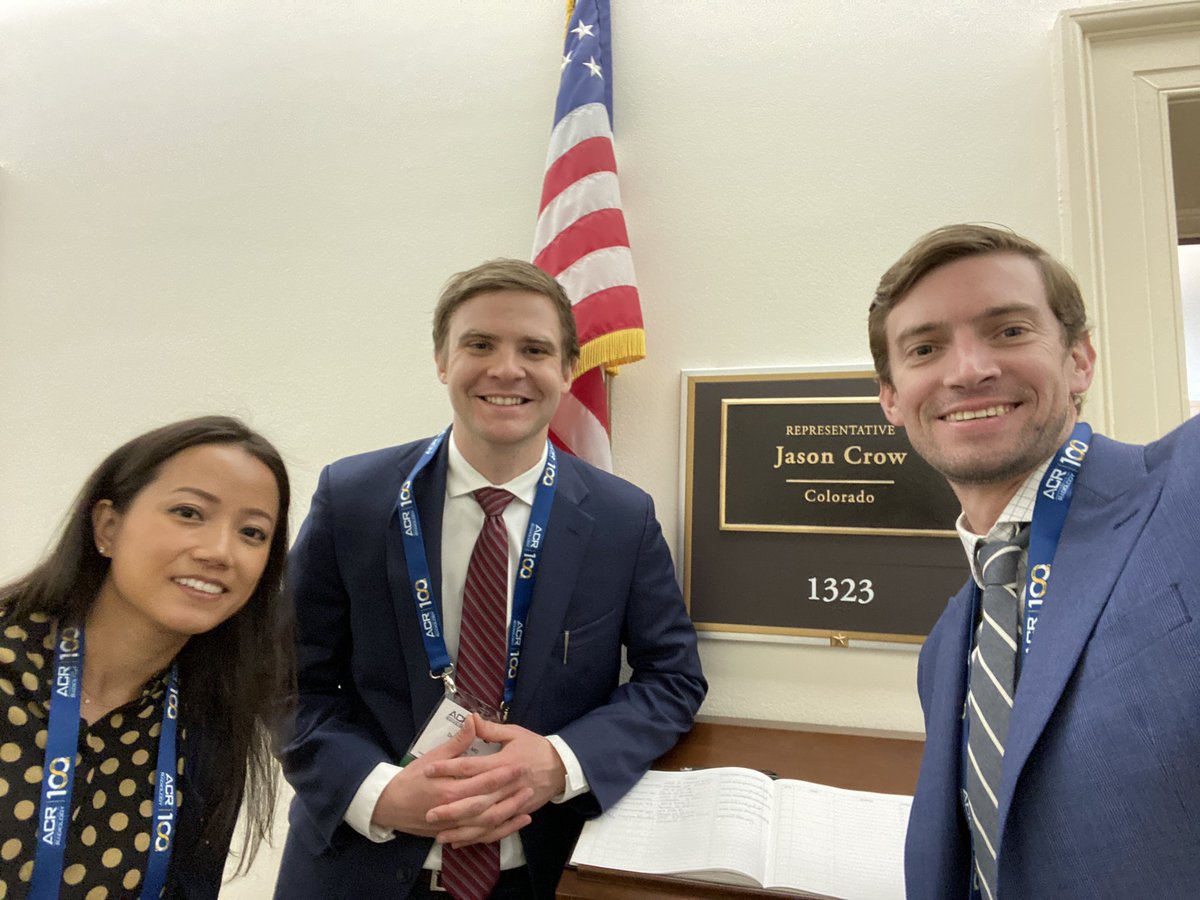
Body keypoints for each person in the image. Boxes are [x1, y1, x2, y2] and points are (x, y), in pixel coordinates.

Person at [276, 258, 706, 900]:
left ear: (567, 370)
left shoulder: (622, 518)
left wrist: (559, 762)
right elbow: (286, 682)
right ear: (442, 360)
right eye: (480, 344)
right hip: (356, 865)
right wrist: (379, 791)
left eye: (534, 349)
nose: (507, 369)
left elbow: (671, 680)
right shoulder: (354, 498)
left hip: (539, 871)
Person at [869, 224, 1200, 898]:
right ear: (892, 400)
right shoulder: (944, 650)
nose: (967, 370)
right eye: (926, 348)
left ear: (1079, 360)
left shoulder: (1186, 489)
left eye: (1009, 331)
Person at [0, 415, 294, 899]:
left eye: (252, 533)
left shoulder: (208, 725)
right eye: (189, 513)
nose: (221, 552)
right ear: (108, 527)